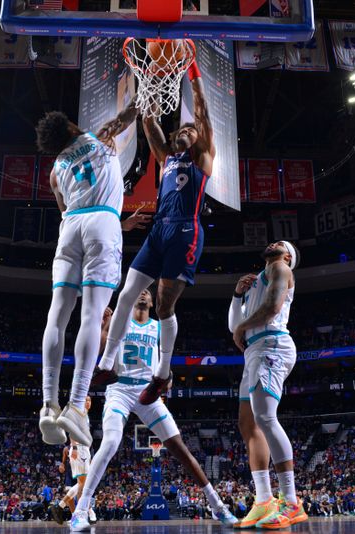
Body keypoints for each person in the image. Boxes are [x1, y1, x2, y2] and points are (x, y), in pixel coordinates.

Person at [93, 50, 215, 407]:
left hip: (185, 231)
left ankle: (161, 374)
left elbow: (203, 112)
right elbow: (149, 124)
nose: (189, 129)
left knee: (163, 307)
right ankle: (106, 362)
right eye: (185, 127)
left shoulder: (203, 157)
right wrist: (146, 84)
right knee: (127, 293)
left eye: (192, 130)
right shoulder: (166, 157)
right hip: (159, 230)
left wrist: (192, 71)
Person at [69, 289, 237, 531]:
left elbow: (165, 367)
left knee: (180, 449)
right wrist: (104, 325)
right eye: (139, 289)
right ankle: (81, 510)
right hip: (120, 390)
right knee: (110, 443)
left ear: (153, 301)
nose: (143, 292)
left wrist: (166, 381)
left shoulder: (159, 327)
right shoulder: (119, 319)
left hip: (148, 392)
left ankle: (216, 505)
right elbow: (100, 352)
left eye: (148, 291)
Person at [35, 97, 140, 448]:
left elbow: (67, 209)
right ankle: (77, 404)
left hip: (71, 228)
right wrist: (145, 90)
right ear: (70, 128)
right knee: (92, 315)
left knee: (57, 317)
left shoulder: (54, 172)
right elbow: (130, 114)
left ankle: (48, 406)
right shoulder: (99, 139)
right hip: (101, 223)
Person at [228, 241, 307, 529]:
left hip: (272, 345)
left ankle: (291, 501)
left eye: (281, 244)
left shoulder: (280, 267)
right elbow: (233, 325)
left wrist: (241, 327)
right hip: (255, 350)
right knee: (247, 423)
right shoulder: (255, 282)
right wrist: (238, 296)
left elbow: (273, 307)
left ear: (288, 256)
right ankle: (264, 501)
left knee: (265, 417)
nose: (274, 243)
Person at [52, 396, 96, 525]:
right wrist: (75, 447)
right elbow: (71, 430)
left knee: (82, 483)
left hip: (84, 450)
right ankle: (63, 507)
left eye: (90, 400)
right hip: (79, 449)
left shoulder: (85, 415)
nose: (88, 402)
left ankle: (61, 506)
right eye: (86, 400)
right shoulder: (79, 413)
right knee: (84, 483)